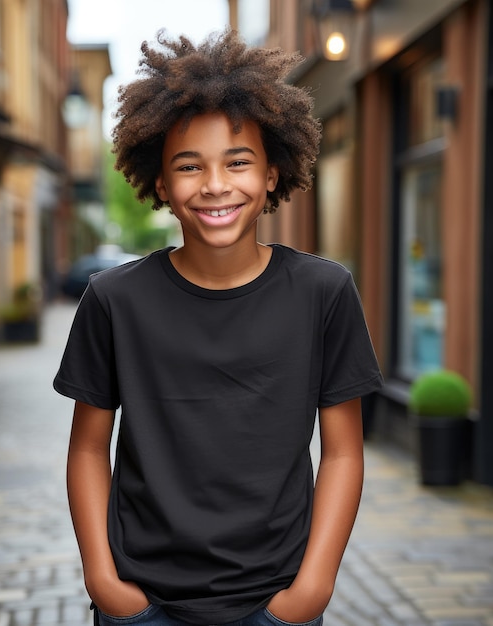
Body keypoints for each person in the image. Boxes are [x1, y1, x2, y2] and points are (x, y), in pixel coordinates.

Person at [54, 28, 383, 626]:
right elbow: (86, 448)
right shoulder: (114, 300)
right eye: (189, 166)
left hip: (276, 599)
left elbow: (343, 453)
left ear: (273, 173)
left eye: (238, 161)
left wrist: (312, 588)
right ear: (160, 182)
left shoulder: (323, 292)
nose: (215, 184)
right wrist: (103, 578)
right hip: (143, 601)